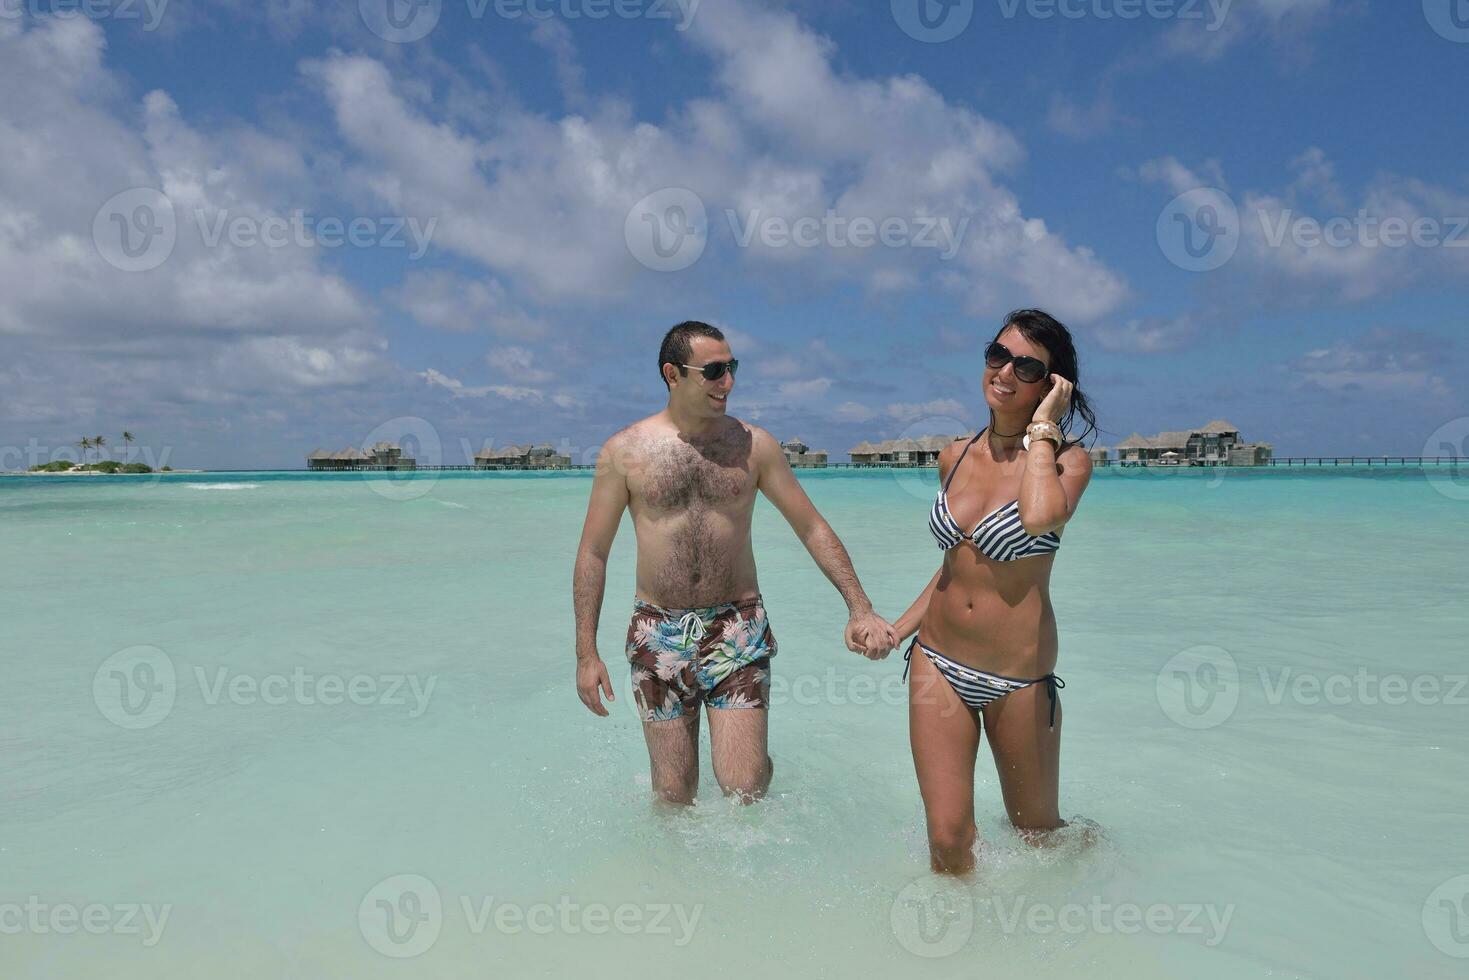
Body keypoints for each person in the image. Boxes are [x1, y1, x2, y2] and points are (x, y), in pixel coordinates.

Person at [573, 320, 896, 806]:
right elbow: (593, 553)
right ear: (672, 374)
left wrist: (860, 607)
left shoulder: (755, 446)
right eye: (715, 371)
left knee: (744, 791)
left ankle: (755, 778)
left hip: (737, 628)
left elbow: (811, 526)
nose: (729, 383)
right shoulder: (624, 453)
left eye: (732, 369)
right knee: (672, 796)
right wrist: (586, 653)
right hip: (656, 633)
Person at [890, 309, 1096, 874]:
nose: (1005, 370)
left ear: (1051, 385)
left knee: (1039, 836)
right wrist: (897, 628)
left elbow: (1037, 518)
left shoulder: (1069, 463)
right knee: (949, 837)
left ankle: (1092, 871)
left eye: (1028, 366)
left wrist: (1043, 430)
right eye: (997, 354)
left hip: (1019, 677)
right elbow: (957, 567)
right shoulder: (953, 456)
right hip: (938, 661)